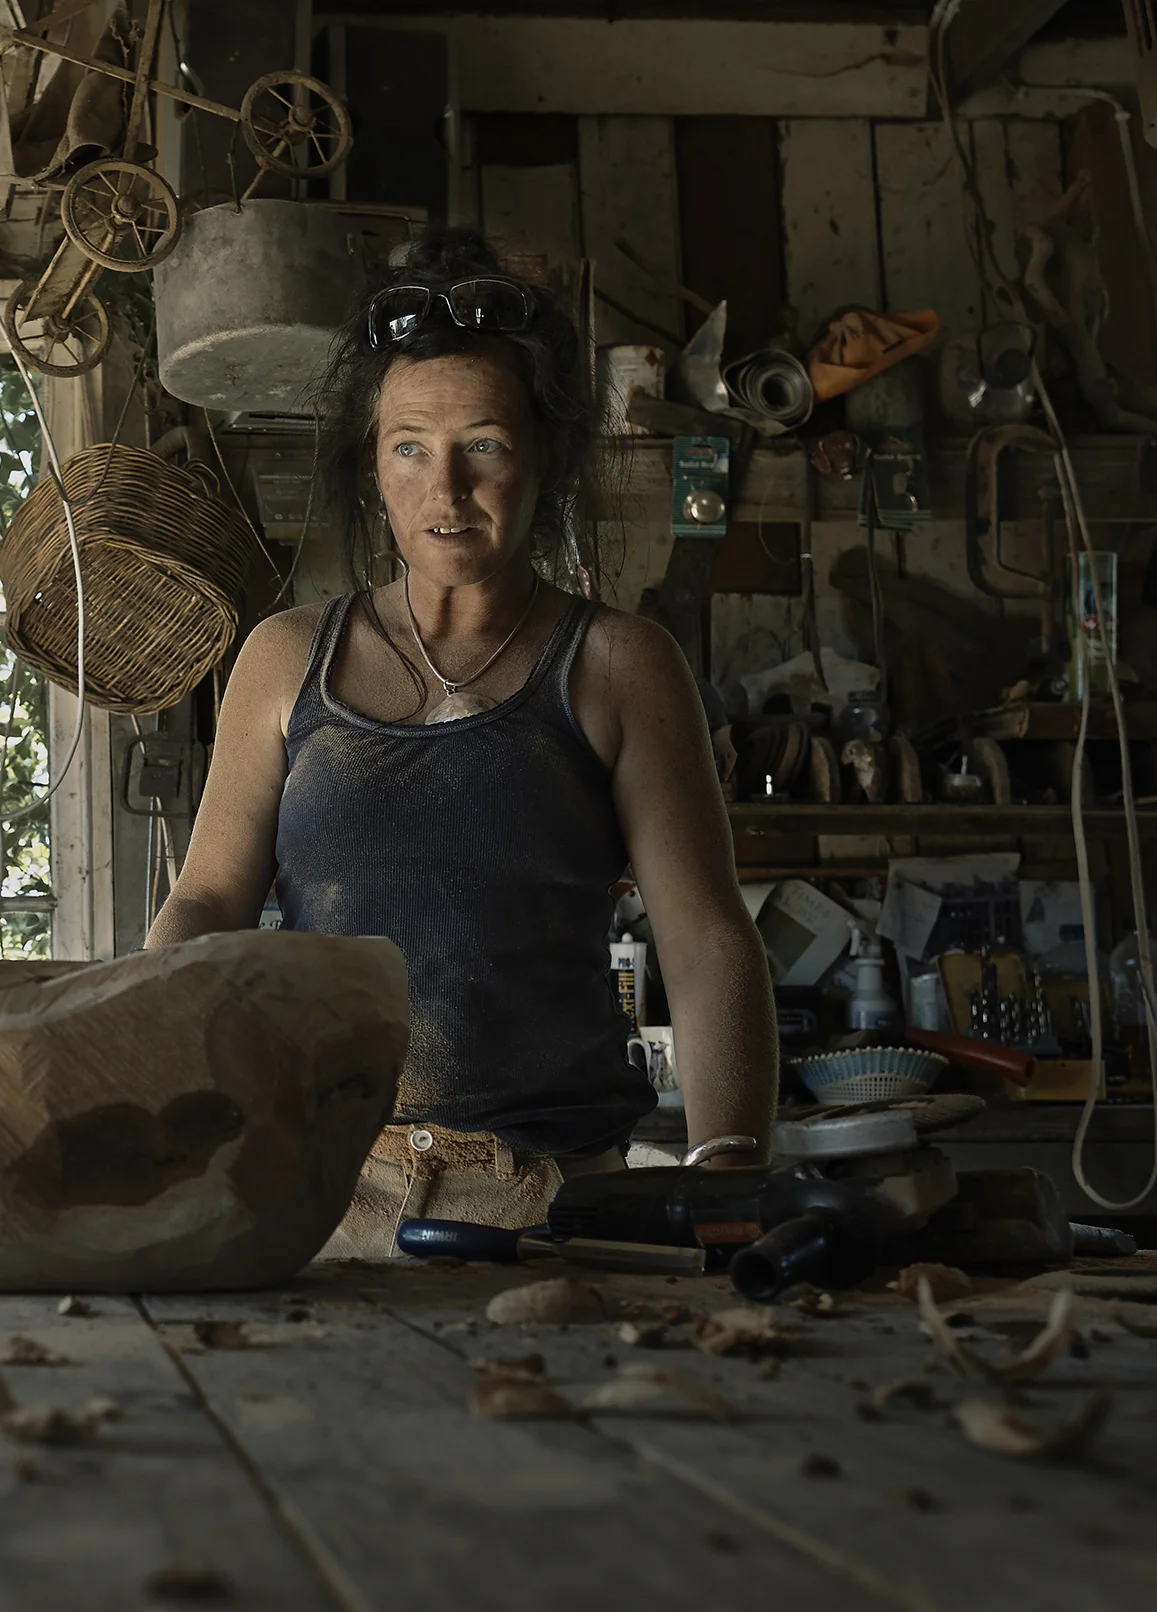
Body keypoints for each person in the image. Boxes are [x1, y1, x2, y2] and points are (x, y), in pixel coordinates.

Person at [146, 229, 775, 1249]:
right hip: (314, 1190)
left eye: (482, 443)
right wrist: (156, 1090)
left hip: (545, 1197)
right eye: (409, 448)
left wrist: (731, 1171)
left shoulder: (619, 664)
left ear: (547, 454)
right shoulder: (283, 657)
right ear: (371, 462)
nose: (445, 490)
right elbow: (208, 900)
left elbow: (704, 939)